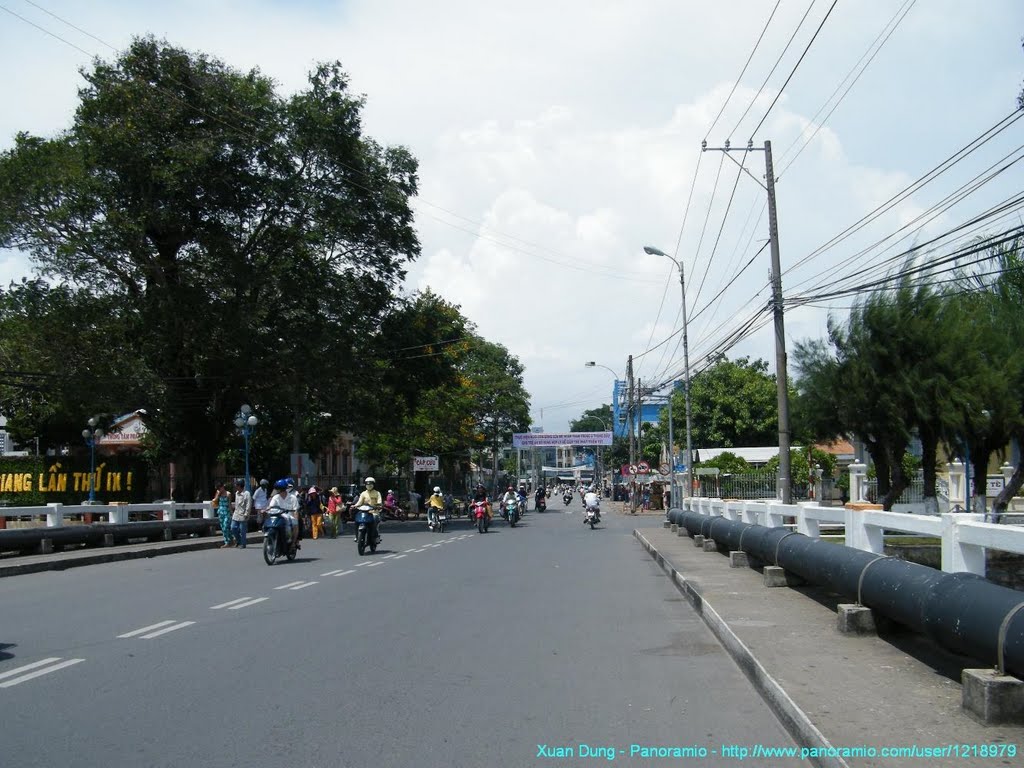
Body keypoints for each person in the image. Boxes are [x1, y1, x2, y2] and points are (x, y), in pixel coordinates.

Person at [266, 478, 298, 546]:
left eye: (279, 488)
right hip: (277, 515)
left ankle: (293, 542)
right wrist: (265, 509)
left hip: (289, 516)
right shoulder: (275, 497)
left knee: (295, 525)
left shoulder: (293, 497)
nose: (278, 490)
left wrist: (296, 518)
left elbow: (295, 510)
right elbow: (271, 506)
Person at [355, 477, 383, 544]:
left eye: (371, 483)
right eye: (367, 484)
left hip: (374, 512)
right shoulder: (363, 493)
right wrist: (354, 505)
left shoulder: (377, 493)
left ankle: (376, 537)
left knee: (375, 522)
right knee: (357, 521)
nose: (369, 485)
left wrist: (378, 505)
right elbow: (359, 502)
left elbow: (379, 502)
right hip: (364, 512)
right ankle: (357, 536)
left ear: (373, 484)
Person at [230, 478, 252, 548]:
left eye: (236, 485)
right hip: (236, 514)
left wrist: (246, 514)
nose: (235, 486)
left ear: (240, 486)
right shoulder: (236, 493)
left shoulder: (246, 494)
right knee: (233, 528)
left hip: (243, 514)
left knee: (242, 530)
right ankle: (238, 540)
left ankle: (243, 543)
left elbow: (248, 504)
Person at [213, 482, 232, 548]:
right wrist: (218, 495)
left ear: (222, 487)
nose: (219, 489)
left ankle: (228, 541)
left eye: (219, 488)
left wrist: (231, 513)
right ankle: (228, 541)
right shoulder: (218, 493)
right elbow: (214, 501)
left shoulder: (228, 494)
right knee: (223, 528)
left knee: (226, 526)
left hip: (226, 512)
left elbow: (229, 504)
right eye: (218, 488)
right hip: (220, 512)